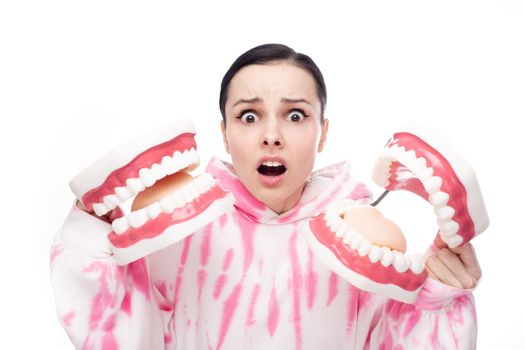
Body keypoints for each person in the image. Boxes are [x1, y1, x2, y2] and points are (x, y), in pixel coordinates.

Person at [50, 43, 481, 349]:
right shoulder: (179, 231)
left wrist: (437, 297)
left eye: (295, 115)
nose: (271, 136)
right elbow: (124, 335)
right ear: (225, 132)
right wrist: (91, 232)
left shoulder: (367, 242)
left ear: (322, 133)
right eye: (249, 116)